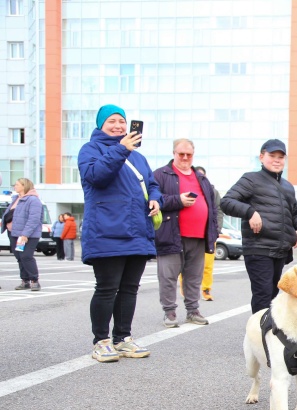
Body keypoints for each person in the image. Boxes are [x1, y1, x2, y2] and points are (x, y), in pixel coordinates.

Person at [78, 104, 162, 362]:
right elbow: (96, 176)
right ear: (100, 125)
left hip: (137, 229)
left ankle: (123, 338)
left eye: (122, 121)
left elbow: (152, 184)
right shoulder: (90, 150)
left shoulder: (139, 157)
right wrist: (122, 148)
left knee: (129, 288)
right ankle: (101, 341)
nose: (118, 126)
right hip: (106, 229)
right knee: (106, 287)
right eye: (112, 121)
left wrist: (156, 199)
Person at [221, 139, 297, 314]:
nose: (276, 160)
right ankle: (261, 338)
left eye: (280, 157)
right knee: (263, 295)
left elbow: (294, 215)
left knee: (276, 296)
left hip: (280, 250)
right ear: (262, 157)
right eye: (272, 156)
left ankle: (272, 335)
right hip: (258, 248)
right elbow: (226, 202)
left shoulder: (287, 186)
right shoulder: (251, 179)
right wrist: (249, 211)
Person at [153, 139, 218, 328]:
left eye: (188, 154)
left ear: (193, 155)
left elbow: (213, 207)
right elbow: (153, 199)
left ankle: (193, 310)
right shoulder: (161, 175)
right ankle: (170, 312)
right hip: (171, 234)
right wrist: (177, 200)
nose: (184, 157)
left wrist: (213, 232)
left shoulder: (201, 178)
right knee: (168, 276)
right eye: (181, 154)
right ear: (174, 153)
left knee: (194, 277)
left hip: (198, 236)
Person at [5, 178, 43, 291]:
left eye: (17, 184)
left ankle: (34, 280)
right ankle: (25, 280)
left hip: (28, 235)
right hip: (14, 233)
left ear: (24, 186)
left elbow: (34, 219)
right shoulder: (16, 198)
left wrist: (25, 234)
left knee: (26, 256)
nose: (14, 186)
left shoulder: (33, 200)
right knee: (19, 257)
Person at [194, 166, 223, 301]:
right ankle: (185, 288)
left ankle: (206, 289)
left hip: (209, 234)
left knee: (208, 264)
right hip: (192, 234)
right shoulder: (189, 190)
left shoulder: (213, 192)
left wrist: (217, 230)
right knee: (187, 264)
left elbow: (219, 211)